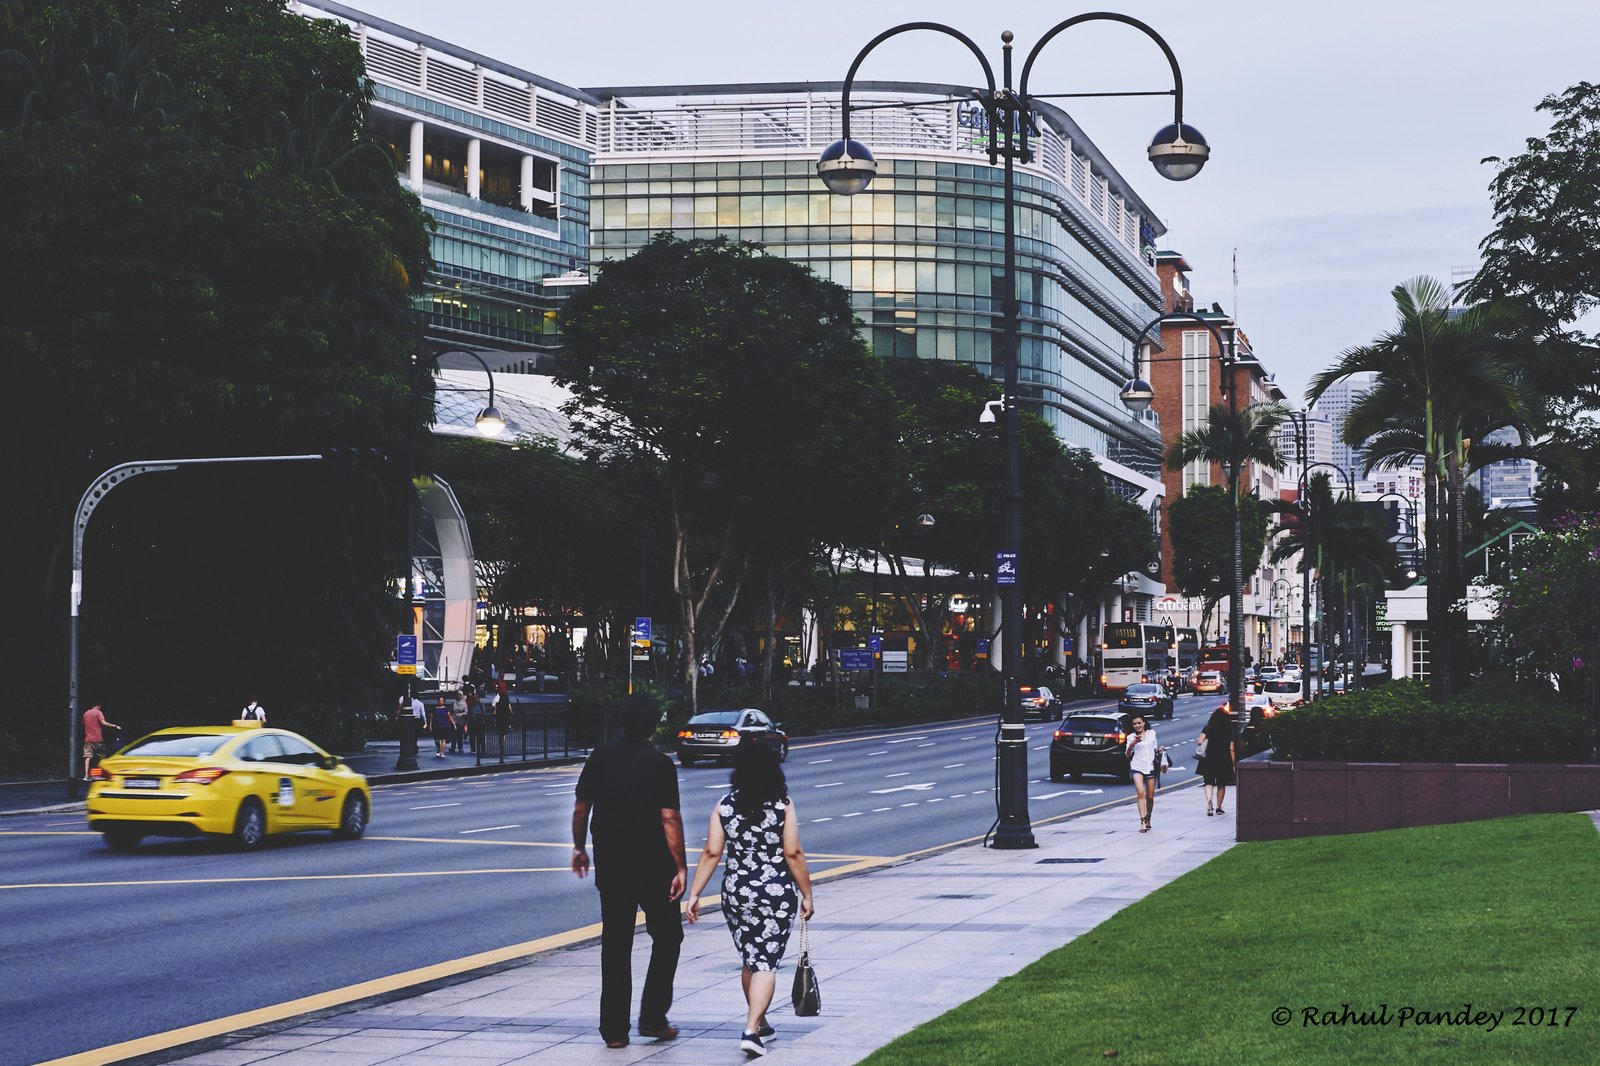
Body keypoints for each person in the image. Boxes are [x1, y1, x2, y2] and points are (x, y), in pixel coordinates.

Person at [685, 743, 814, 1058]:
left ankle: (761, 1021)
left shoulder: (724, 806)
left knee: (750, 957)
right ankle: (751, 1030)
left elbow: (712, 852)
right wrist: (807, 893)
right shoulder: (783, 806)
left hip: (737, 891)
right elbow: (793, 853)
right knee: (766, 962)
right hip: (775, 892)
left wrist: (695, 893)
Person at [571, 694, 686, 1049]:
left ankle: (615, 1031)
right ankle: (653, 1017)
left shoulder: (600, 757)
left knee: (616, 944)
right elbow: (669, 817)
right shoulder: (660, 764)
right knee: (667, 938)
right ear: (654, 727)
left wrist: (579, 847)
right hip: (655, 865)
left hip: (613, 863)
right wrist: (680, 865)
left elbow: (581, 808)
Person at [1197, 701, 1239, 816]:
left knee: (1208, 782)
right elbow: (1231, 748)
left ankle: (1209, 801)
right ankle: (1219, 807)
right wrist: (1233, 763)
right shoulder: (1228, 729)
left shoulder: (1208, 727)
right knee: (1221, 784)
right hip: (1223, 758)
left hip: (1209, 758)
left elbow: (1200, 741)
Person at [1125, 715, 1161, 832]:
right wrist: (1132, 744)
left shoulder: (1151, 734)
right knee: (1141, 793)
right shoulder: (1131, 737)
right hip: (1137, 766)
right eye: (1135, 724)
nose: (1137, 726)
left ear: (1144, 723)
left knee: (1150, 797)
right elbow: (1128, 754)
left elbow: (1155, 749)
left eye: (1139, 723)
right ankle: (1143, 822)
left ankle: (1148, 817)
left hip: (1150, 766)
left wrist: (1160, 750)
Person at [81, 703, 122, 779]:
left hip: (88, 739)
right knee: (102, 757)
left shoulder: (86, 713)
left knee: (87, 757)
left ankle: (86, 775)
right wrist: (115, 726)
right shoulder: (98, 712)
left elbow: (83, 723)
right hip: (98, 739)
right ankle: (102, 774)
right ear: (98, 706)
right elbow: (104, 723)